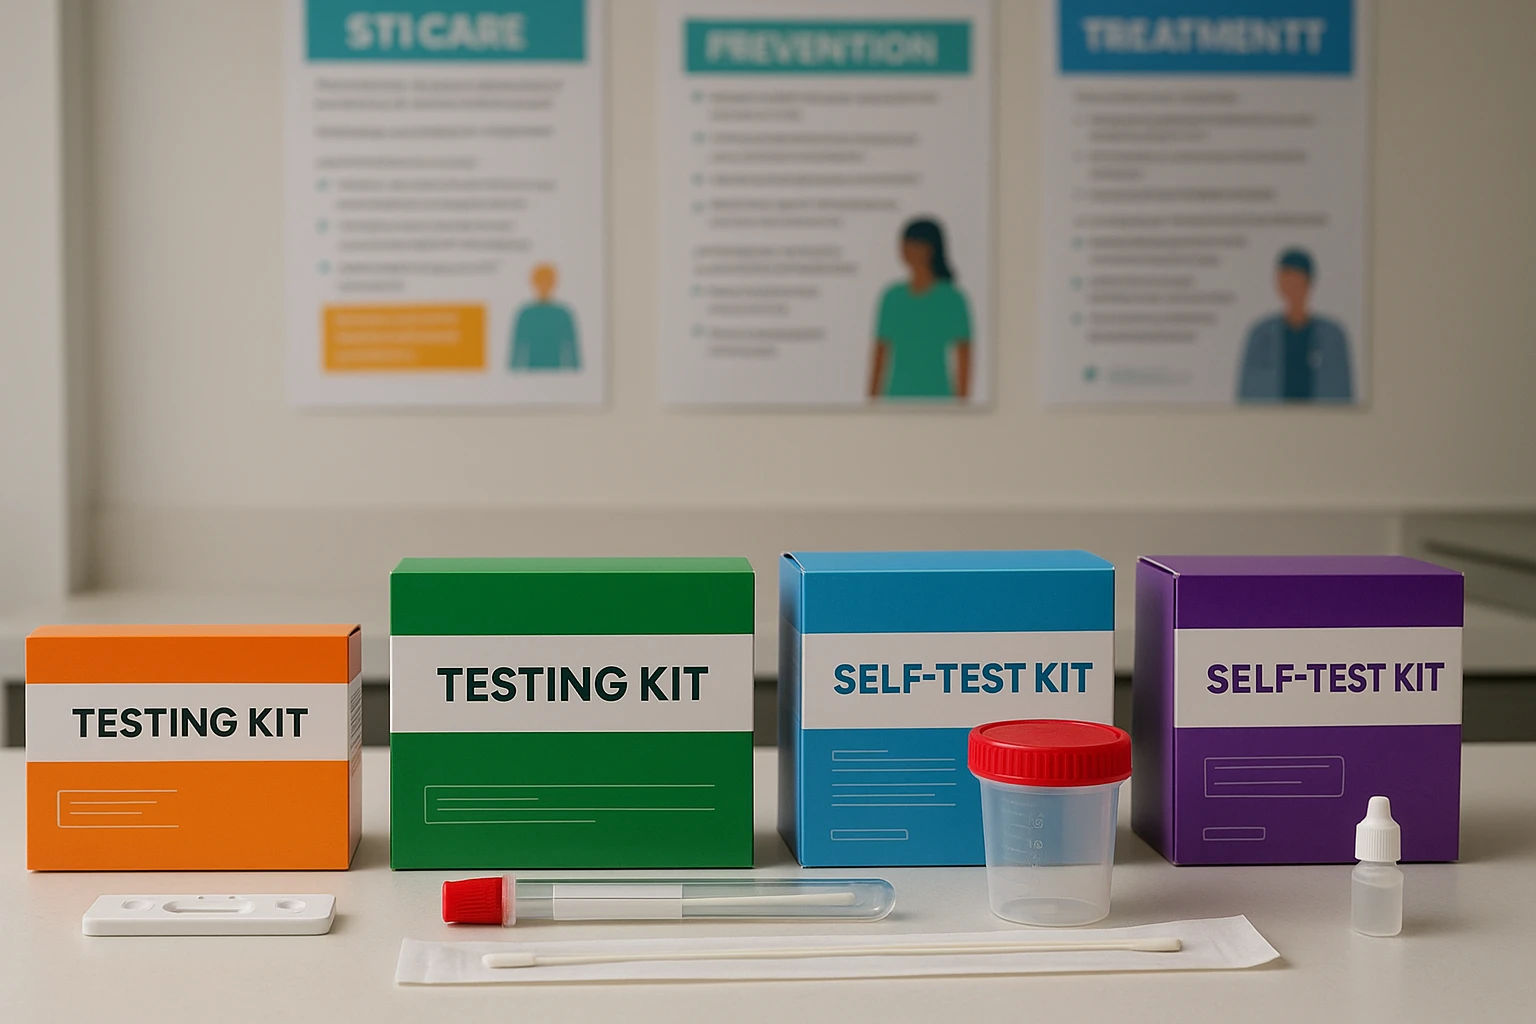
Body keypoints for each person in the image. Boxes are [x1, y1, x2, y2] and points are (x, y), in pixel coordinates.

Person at [869, 218, 972, 400]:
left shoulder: (952, 299)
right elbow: (881, 351)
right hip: (895, 396)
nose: (907, 250)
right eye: (905, 244)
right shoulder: (892, 296)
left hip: (938, 395)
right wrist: (872, 399)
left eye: (915, 245)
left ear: (931, 249)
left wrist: (961, 404)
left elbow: (963, 355)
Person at [1237, 249, 1353, 402]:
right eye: (1285, 281)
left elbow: (1342, 393)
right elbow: (1248, 391)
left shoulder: (1332, 335)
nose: (1290, 288)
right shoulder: (1261, 334)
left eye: (1295, 281)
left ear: (1308, 282)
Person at [510, 263, 581, 371]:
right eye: (540, 281)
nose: (544, 285)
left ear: (554, 283)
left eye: (547, 281)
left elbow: (572, 352)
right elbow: (517, 351)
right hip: (529, 375)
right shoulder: (526, 314)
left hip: (557, 375)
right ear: (534, 283)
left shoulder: (563, 314)